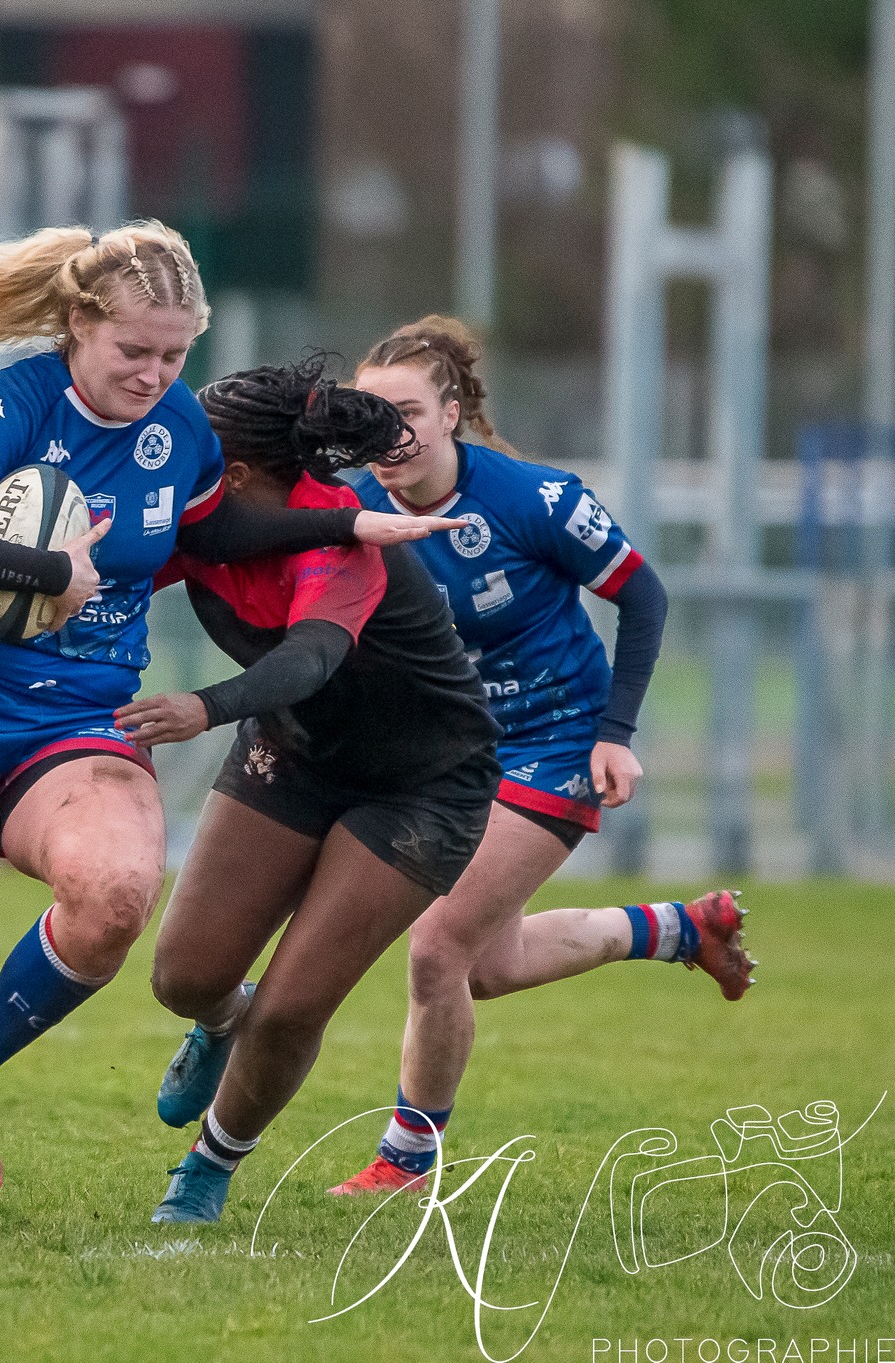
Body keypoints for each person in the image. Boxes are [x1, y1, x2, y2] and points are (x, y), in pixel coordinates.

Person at [0, 223, 464, 1200]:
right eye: (134, 350)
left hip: (74, 716)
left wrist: (344, 520)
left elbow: (213, 528)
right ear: (77, 323)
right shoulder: (16, 403)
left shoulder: (178, 426)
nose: (153, 375)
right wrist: (47, 570)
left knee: (115, 895)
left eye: (173, 355)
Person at [317, 316, 749, 1196]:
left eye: (408, 412)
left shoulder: (533, 500)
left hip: (556, 738)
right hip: (454, 753)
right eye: (373, 416)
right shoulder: (349, 510)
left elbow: (645, 595)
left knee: (436, 951)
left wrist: (616, 733)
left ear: (449, 414)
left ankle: (406, 1162)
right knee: (487, 965)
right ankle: (678, 929)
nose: (389, 436)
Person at [119, 358, 505, 1224]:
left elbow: (309, 660)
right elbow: (98, 572)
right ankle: (222, 1022)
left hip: (423, 784)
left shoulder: (340, 536)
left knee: (292, 1006)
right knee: (185, 976)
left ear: (236, 476)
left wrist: (205, 706)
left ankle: (209, 1164)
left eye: (194, 453)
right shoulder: (198, 522)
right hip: (297, 750)